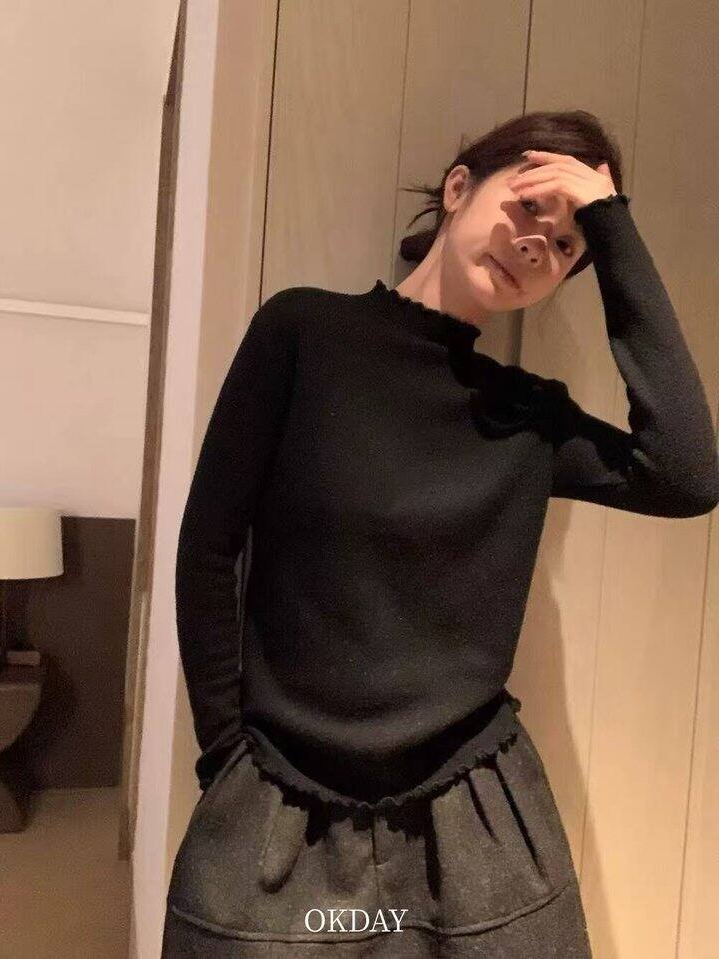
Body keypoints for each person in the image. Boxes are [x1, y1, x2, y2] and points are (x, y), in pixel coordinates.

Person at [161, 110, 719, 957]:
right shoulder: (303, 333)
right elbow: (208, 547)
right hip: (281, 803)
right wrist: (225, 752)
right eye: (529, 206)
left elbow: (687, 475)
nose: (537, 244)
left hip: (478, 816)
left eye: (565, 245)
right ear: (459, 189)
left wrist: (614, 229)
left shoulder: (526, 417)